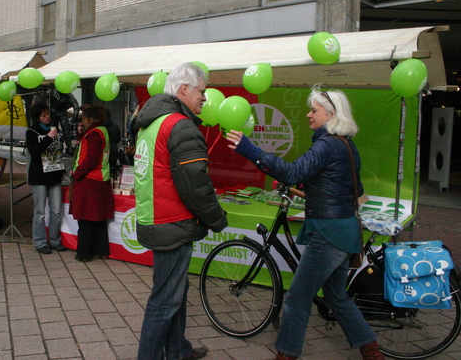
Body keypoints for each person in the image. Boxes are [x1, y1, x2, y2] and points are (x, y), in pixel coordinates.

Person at [226, 85, 384, 360]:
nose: (308, 115)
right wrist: (306, 182)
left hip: (328, 232)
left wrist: (250, 149)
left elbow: (293, 170)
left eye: (314, 110)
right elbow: (345, 184)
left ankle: (286, 354)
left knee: (297, 298)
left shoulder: (326, 144)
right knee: (336, 296)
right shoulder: (346, 144)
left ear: (331, 114)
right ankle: (371, 350)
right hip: (345, 230)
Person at [135, 62, 228, 360]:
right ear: (184, 89)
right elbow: (195, 184)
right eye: (202, 90)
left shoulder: (151, 122)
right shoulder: (180, 125)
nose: (205, 97)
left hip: (155, 218)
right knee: (165, 300)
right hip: (171, 221)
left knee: (175, 292)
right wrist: (216, 218)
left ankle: (177, 350)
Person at [69, 105, 114, 262]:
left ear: (89, 119)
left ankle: (84, 253)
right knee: (98, 219)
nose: (82, 122)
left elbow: (91, 158)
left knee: (85, 219)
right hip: (100, 178)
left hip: (90, 179)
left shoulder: (94, 133)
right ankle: (100, 250)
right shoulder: (101, 130)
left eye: (83, 119)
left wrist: (77, 173)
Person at [26, 104, 67, 254]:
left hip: (53, 174)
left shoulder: (55, 130)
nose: (47, 117)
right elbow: (34, 153)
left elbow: (58, 152)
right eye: (43, 115)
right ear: (38, 117)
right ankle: (40, 242)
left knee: (56, 210)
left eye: (48, 114)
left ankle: (55, 240)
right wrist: (48, 139)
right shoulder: (31, 132)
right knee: (40, 211)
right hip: (39, 176)